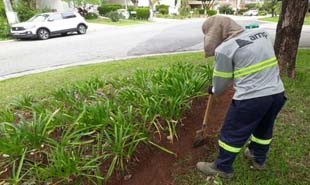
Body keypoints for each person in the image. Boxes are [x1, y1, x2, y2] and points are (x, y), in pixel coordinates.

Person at [196, 15, 287, 178]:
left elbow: (221, 83)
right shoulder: (262, 34)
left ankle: (222, 167)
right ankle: (258, 158)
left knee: (232, 132)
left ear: (215, 33)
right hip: (277, 94)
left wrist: (214, 89)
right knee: (264, 127)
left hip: (251, 98)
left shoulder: (225, 49)